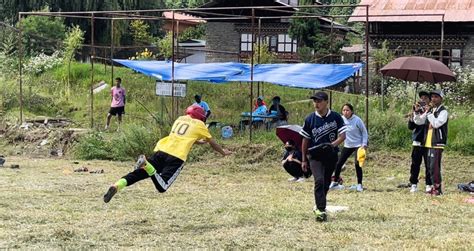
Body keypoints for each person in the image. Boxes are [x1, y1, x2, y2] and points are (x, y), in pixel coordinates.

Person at [103, 105, 232, 203]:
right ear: (200, 117)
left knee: (137, 174)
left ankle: (116, 185)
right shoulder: (200, 124)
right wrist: (223, 152)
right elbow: (213, 143)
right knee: (162, 186)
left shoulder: (180, 119)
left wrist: (197, 141)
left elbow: (183, 136)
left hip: (162, 150)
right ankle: (147, 165)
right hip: (176, 156)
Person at [300, 91, 347, 222]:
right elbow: (305, 140)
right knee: (319, 180)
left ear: (326, 102)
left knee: (326, 182)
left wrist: (332, 145)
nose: (316, 104)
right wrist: (304, 159)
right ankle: (320, 210)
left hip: (331, 155)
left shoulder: (336, 117)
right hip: (315, 156)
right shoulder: (310, 119)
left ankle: (319, 204)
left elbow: (343, 136)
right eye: (315, 101)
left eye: (319, 101)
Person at [413, 90, 448, 196]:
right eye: (432, 97)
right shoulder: (431, 110)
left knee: (434, 167)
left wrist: (428, 113)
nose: (433, 99)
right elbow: (419, 121)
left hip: (437, 142)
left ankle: (437, 189)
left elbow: (437, 124)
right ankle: (432, 187)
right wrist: (417, 112)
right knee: (429, 168)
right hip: (427, 142)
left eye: (436, 97)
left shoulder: (443, 111)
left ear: (441, 99)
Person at [330, 103, 368, 192]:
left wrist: (364, 144)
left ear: (352, 111)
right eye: (344, 110)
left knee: (357, 163)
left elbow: (364, 132)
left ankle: (359, 184)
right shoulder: (341, 119)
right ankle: (335, 182)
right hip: (348, 145)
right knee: (339, 163)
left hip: (358, 145)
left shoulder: (357, 120)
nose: (345, 112)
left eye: (347, 110)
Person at [407, 91, 432, 193]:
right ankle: (413, 184)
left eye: (426, 98)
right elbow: (411, 127)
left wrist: (427, 112)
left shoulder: (432, 111)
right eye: (421, 98)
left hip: (428, 141)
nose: (423, 100)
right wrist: (412, 116)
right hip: (417, 141)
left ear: (429, 100)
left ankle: (429, 184)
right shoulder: (416, 111)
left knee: (429, 164)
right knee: (415, 164)